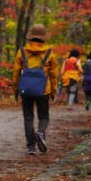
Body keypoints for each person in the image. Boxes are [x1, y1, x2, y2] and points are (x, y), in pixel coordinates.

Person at [12, 23, 60, 155]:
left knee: (28, 117)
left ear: (30, 37)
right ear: (44, 38)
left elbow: (16, 73)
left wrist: (15, 90)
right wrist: (54, 92)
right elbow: (54, 75)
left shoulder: (22, 52)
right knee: (43, 116)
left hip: (26, 90)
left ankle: (31, 147)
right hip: (43, 90)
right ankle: (41, 133)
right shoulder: (49, 53)